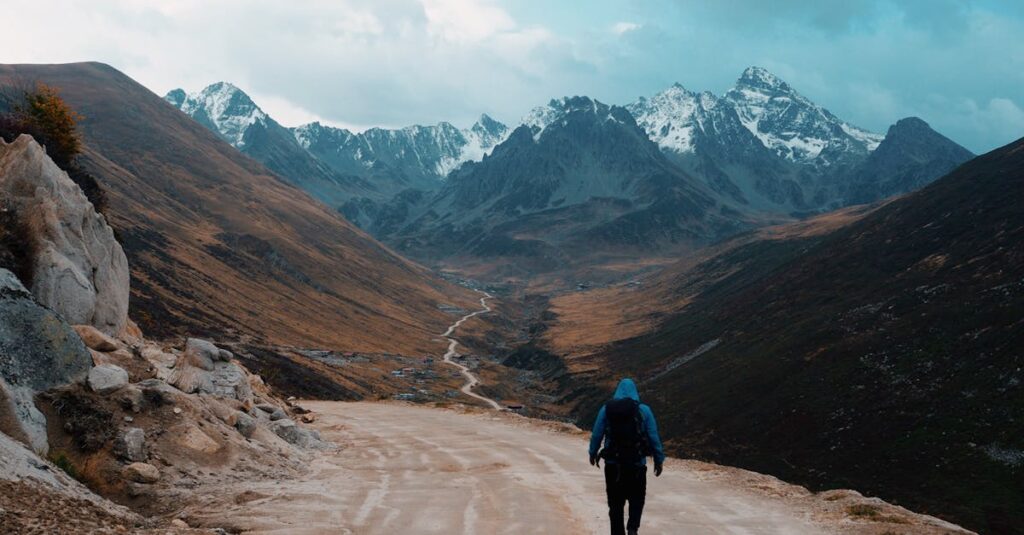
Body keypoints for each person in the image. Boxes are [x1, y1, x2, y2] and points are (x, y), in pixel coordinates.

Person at [588, 378, 665, 535]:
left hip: (613, 465)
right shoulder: (644, 410)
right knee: (637, 500)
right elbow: (653, 437)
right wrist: (659, 459)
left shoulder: (606, 409)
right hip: (636, 464)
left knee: (615, 504)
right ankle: (632, 529)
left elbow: (597, 434)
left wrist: (592, 453)